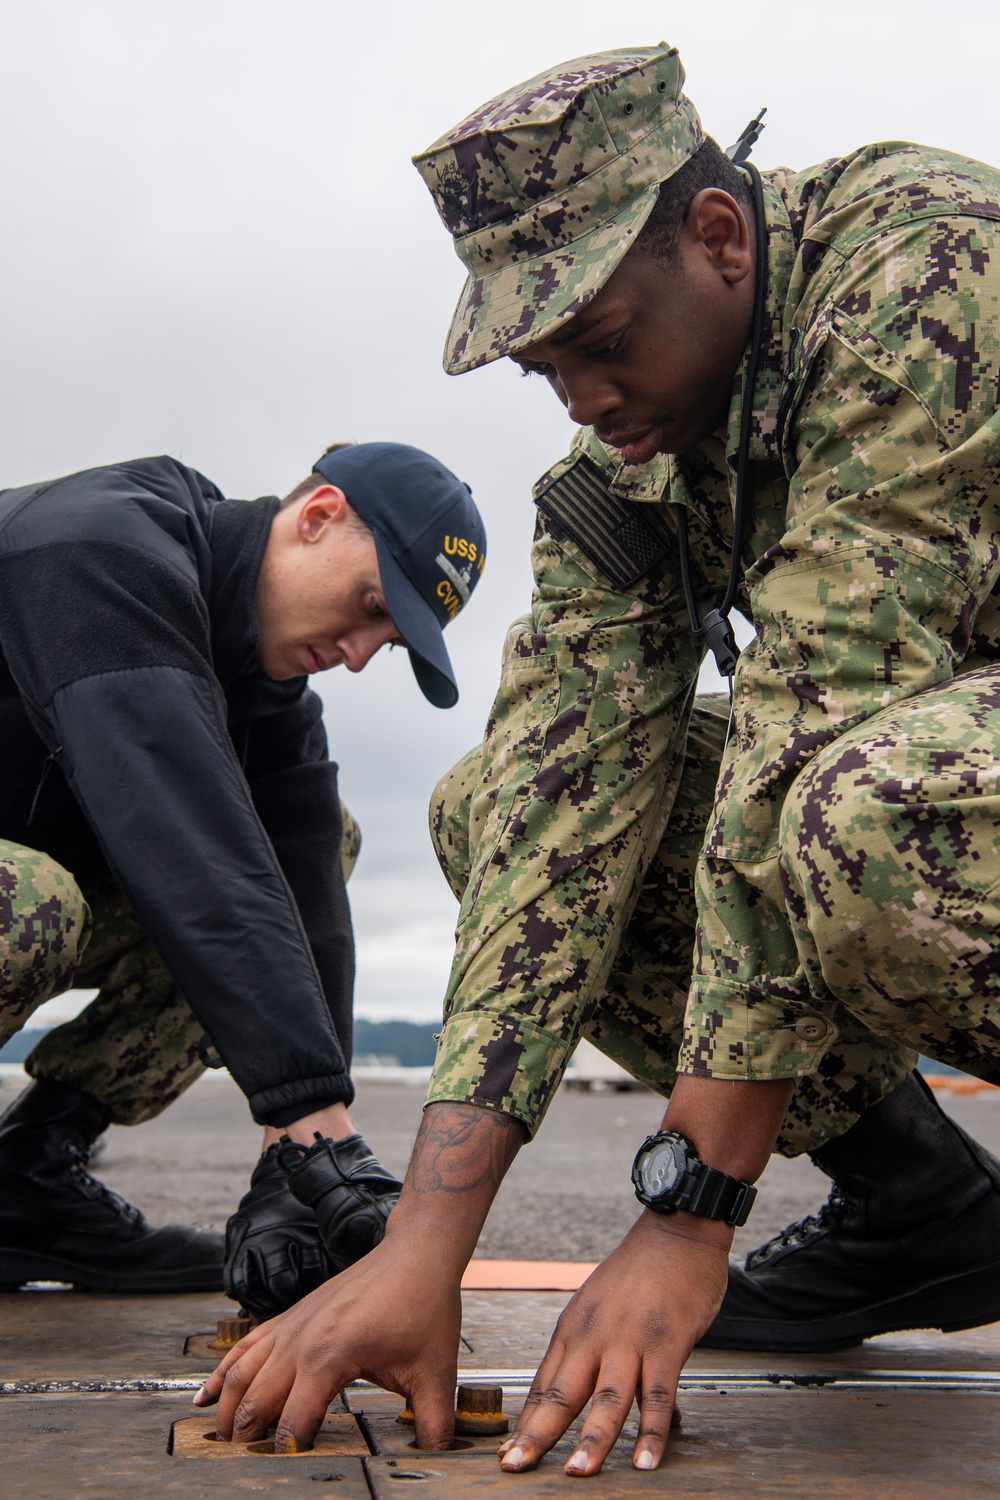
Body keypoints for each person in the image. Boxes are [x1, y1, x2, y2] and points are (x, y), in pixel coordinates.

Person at [198, 42, 1000, 1472]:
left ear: (719, 238)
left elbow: (814, 710)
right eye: (543, 362)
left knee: (848, 816)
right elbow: (558, 810)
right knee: (490, 803)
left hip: (905, 769)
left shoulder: (922, 274)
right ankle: (922, 1209)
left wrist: (688, 1214)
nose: (577, 394)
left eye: (602, 339)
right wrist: (420, 1254)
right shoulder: (627, 472)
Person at [0, 440, 486, 1314]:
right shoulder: (101, 548)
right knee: (30, 904)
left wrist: (290, 1168)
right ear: (317, 516)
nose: (360, 653)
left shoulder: (263, 690)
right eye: (372, 607)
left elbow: (307, 906)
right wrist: (317, 1136)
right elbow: (174, 822)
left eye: (391, 642)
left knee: (314, 842)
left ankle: (25, 1176)